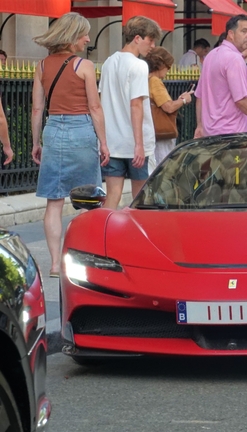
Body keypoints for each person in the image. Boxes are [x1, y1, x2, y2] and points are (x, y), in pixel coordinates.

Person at [30, 12, 109, 277]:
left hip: (53, 131)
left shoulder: (41, 66)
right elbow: (95, 107)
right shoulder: (83, 65)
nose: (88, 38)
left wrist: (35, 141)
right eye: (84, 34)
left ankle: (54, 264)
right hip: (81, 130)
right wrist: (104, 142)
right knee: (89, 200)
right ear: (72, 36)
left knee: (54, 201)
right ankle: (80, 258)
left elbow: (37, 109)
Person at [99, 16, 161, 210]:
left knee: (112, 196)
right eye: (150, 40)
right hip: (134, 142)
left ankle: (103, 236)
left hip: (112, 141)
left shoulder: (108, 62)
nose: (152, 46)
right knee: (141, 198)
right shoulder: (139, 65)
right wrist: (139, 144)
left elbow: (103, 101)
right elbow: (136, 105)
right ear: (137, 38)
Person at [194, 14, 247, 138]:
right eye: (244, 31)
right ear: (231, 34)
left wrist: (200, 125)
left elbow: (199, 96)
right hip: (233, 137)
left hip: (210, 135)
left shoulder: (211, 55)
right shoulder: (234, 59)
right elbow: (241, 100)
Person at [145, 47, 193, 164]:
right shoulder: (155, 81)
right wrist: (184, 100)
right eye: (168, 67)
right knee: (164, 164)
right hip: (162, 134)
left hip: (150, 131)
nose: (168, 71)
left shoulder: (145, 78)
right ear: (161, 65)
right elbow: (168, 107)